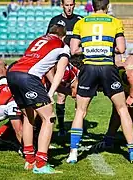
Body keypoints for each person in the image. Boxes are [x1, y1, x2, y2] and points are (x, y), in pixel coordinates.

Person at [66, 0, 133, 164]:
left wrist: (90, 48)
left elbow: (73, 50)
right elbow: (121, 49)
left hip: (89, 68)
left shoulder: (81, 22)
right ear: (107, 7)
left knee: (80, 111)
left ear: (92, 6)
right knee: (122, 109)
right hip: (107, 68)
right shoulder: (115, 22)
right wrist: (105, 48)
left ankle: (73, 153)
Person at [7, 24, 70, 174]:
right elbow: (60, 72)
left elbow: (46, 66)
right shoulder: (62, 45)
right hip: (29, 77)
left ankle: (29, 160)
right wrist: (51, 93)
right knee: (49, 118)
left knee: (29, 116)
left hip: (13, 73)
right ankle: (40, 164)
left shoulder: (38, 40)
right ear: (63, 36)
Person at [47, 0, 83, 136]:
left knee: (78, 95)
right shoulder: (55, 20)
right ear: (62, 5)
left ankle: (77, 126)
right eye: (66, 5)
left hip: (78, 62)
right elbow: (49, 39)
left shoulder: (80, 20)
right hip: (62, 61)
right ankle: (61, 128)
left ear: (74, 5)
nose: (69, 8)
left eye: (71, 5)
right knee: (61, 95)